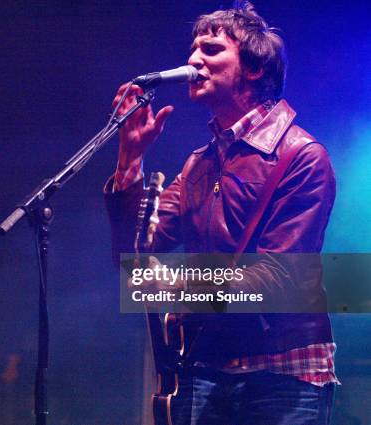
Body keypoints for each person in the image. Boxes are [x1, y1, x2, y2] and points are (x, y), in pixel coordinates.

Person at [105, 2, 337, 424]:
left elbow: (277, 279)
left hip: (281, 371)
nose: (193, 60)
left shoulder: (302, 156)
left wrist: (177, 285)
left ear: (252, 68)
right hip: (206, 363)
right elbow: (132, 260)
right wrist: (129, 163)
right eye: (193, 49)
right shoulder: (198, 164)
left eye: (211, 50)